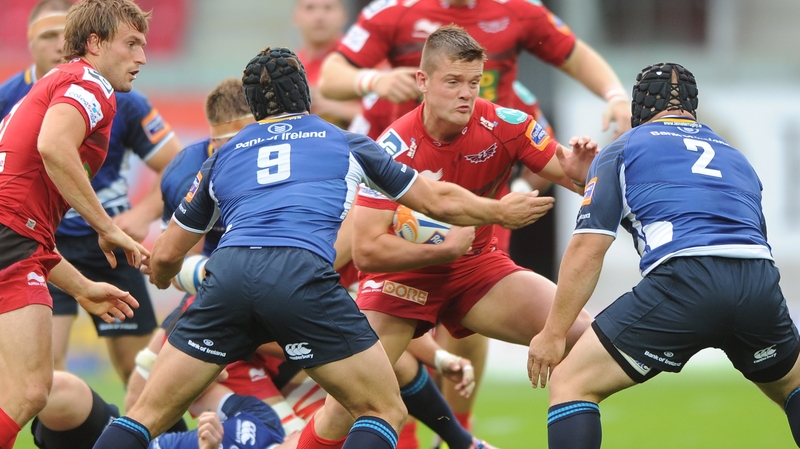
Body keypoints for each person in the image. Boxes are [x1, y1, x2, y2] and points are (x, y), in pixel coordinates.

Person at [90, 45, 548, 449]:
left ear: (254, 106)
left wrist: (164, 277)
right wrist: (498, 212)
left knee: (144, 415)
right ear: (304, 95)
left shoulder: (223, 156)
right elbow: (435, 199)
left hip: (227, 279)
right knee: (383, 409)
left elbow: (167, 254)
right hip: (300, 277)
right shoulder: (345, 142)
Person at [319, 1, 631, 429]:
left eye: (474, 82)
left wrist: (583, 173)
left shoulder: (509, 118)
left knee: (589, 342)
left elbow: (571, 174)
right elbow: (368, 252)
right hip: (402, 272)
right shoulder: (390, 143)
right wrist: (371, 80)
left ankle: (463, 433)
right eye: (453, 82)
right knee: (348, 406)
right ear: (422, 81)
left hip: (476, 261)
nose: (467, 93)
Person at [527, 62, 800, 449]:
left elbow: (588, 248)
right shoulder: (735, 157)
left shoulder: (623, 148)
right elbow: (742, 234)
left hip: (685, 282)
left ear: (640, 106)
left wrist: (553, 333)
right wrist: (590, 179)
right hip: (758, 282)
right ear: (692, 105)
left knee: (572, 382)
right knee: (792, 384)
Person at [0, 0, 183, 384]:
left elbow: (176, 163)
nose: (143, 57)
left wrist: (137, 217)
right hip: (34, 234)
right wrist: (107, 227)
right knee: (38, 384)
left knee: (132, 373)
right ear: (93, 43)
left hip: (48, 240)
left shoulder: (95, 88)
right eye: (131, 44)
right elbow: (54, 147)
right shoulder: (87, 82)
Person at [30, 370, 300, 449]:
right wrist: (206, 371)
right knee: (61, 388)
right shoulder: (265, 421)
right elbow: (198, 392)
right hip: (133, 439)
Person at [293, 0, 361, 129]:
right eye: (310, 8)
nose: (319, 16)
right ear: (295, 17)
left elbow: (391, 115)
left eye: (328, 8)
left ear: (344, 16)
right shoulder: (287, 66)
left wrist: (339, 108)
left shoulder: (363, 57)